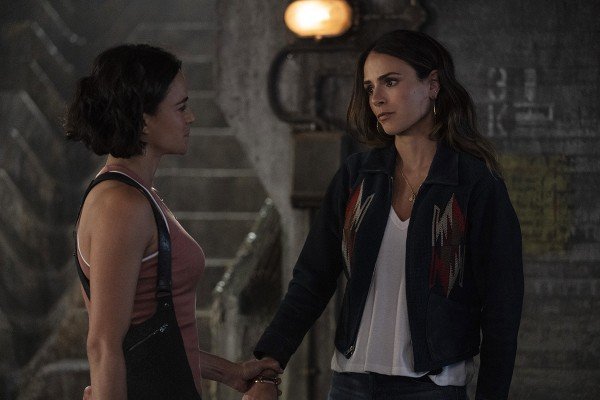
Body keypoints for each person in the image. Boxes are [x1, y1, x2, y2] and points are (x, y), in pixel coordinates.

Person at [243, 29, 523, 400]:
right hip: (351, 384)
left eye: (390, 82)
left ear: (432, 85)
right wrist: (269, 363)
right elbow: (312, 278)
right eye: (369, 86)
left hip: (432, 388)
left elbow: (502, 308)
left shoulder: (474, 184)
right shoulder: (358, 177)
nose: (376, 98)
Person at [66, 44, 281, 400]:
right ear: (143, 121)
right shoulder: (121, 205)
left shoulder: (137, 194)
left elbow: (151, 341)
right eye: (181, 108)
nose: (191, 117)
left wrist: (230, 372)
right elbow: (104, 344)